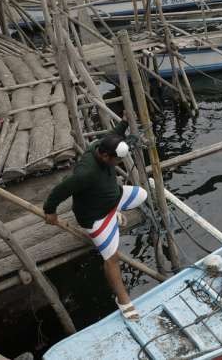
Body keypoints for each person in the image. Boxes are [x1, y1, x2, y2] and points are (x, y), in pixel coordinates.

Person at [43, 121, 147, 321]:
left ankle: (115, 211)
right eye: (116, 161)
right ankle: (123, 300)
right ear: (105, 156)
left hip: (112, 200)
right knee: (112, 258)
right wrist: (50, 211)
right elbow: (60, 190)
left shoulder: (101, 145)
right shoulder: (86, 173)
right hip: (96, 217)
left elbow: (113, 133)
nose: (117, 165)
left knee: (141, 194)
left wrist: (125, 122)